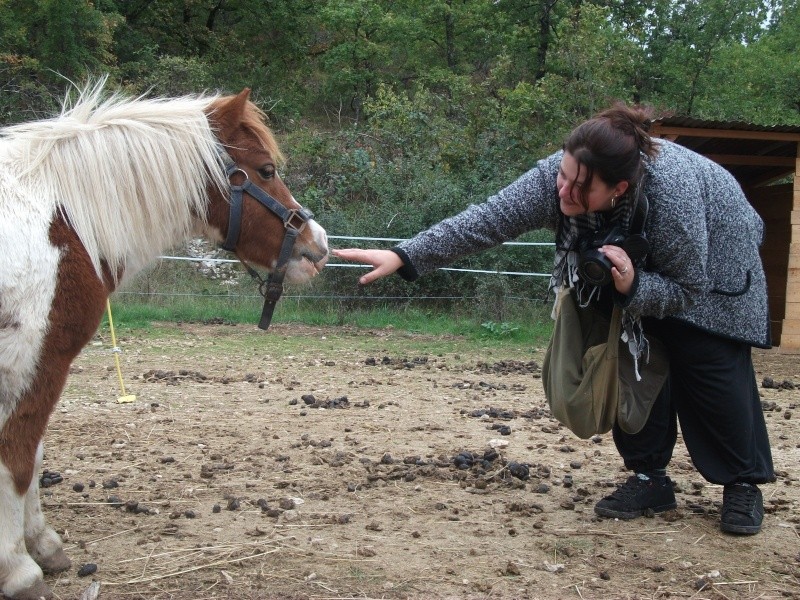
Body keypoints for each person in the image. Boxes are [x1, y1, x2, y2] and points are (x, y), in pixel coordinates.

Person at [333, 103, 775, 535]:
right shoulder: (563, 176)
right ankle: (649, 479)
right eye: (563, 175)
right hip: (631, 268)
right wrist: (404, 255)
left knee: (709, 365)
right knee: (627, 365)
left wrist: (635, 287)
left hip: (715, 274)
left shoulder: (671, 194)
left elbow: (686, 288)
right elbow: (486, 221)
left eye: (580, 188)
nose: (563, 191)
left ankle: (742, 483)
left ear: (618, 188)